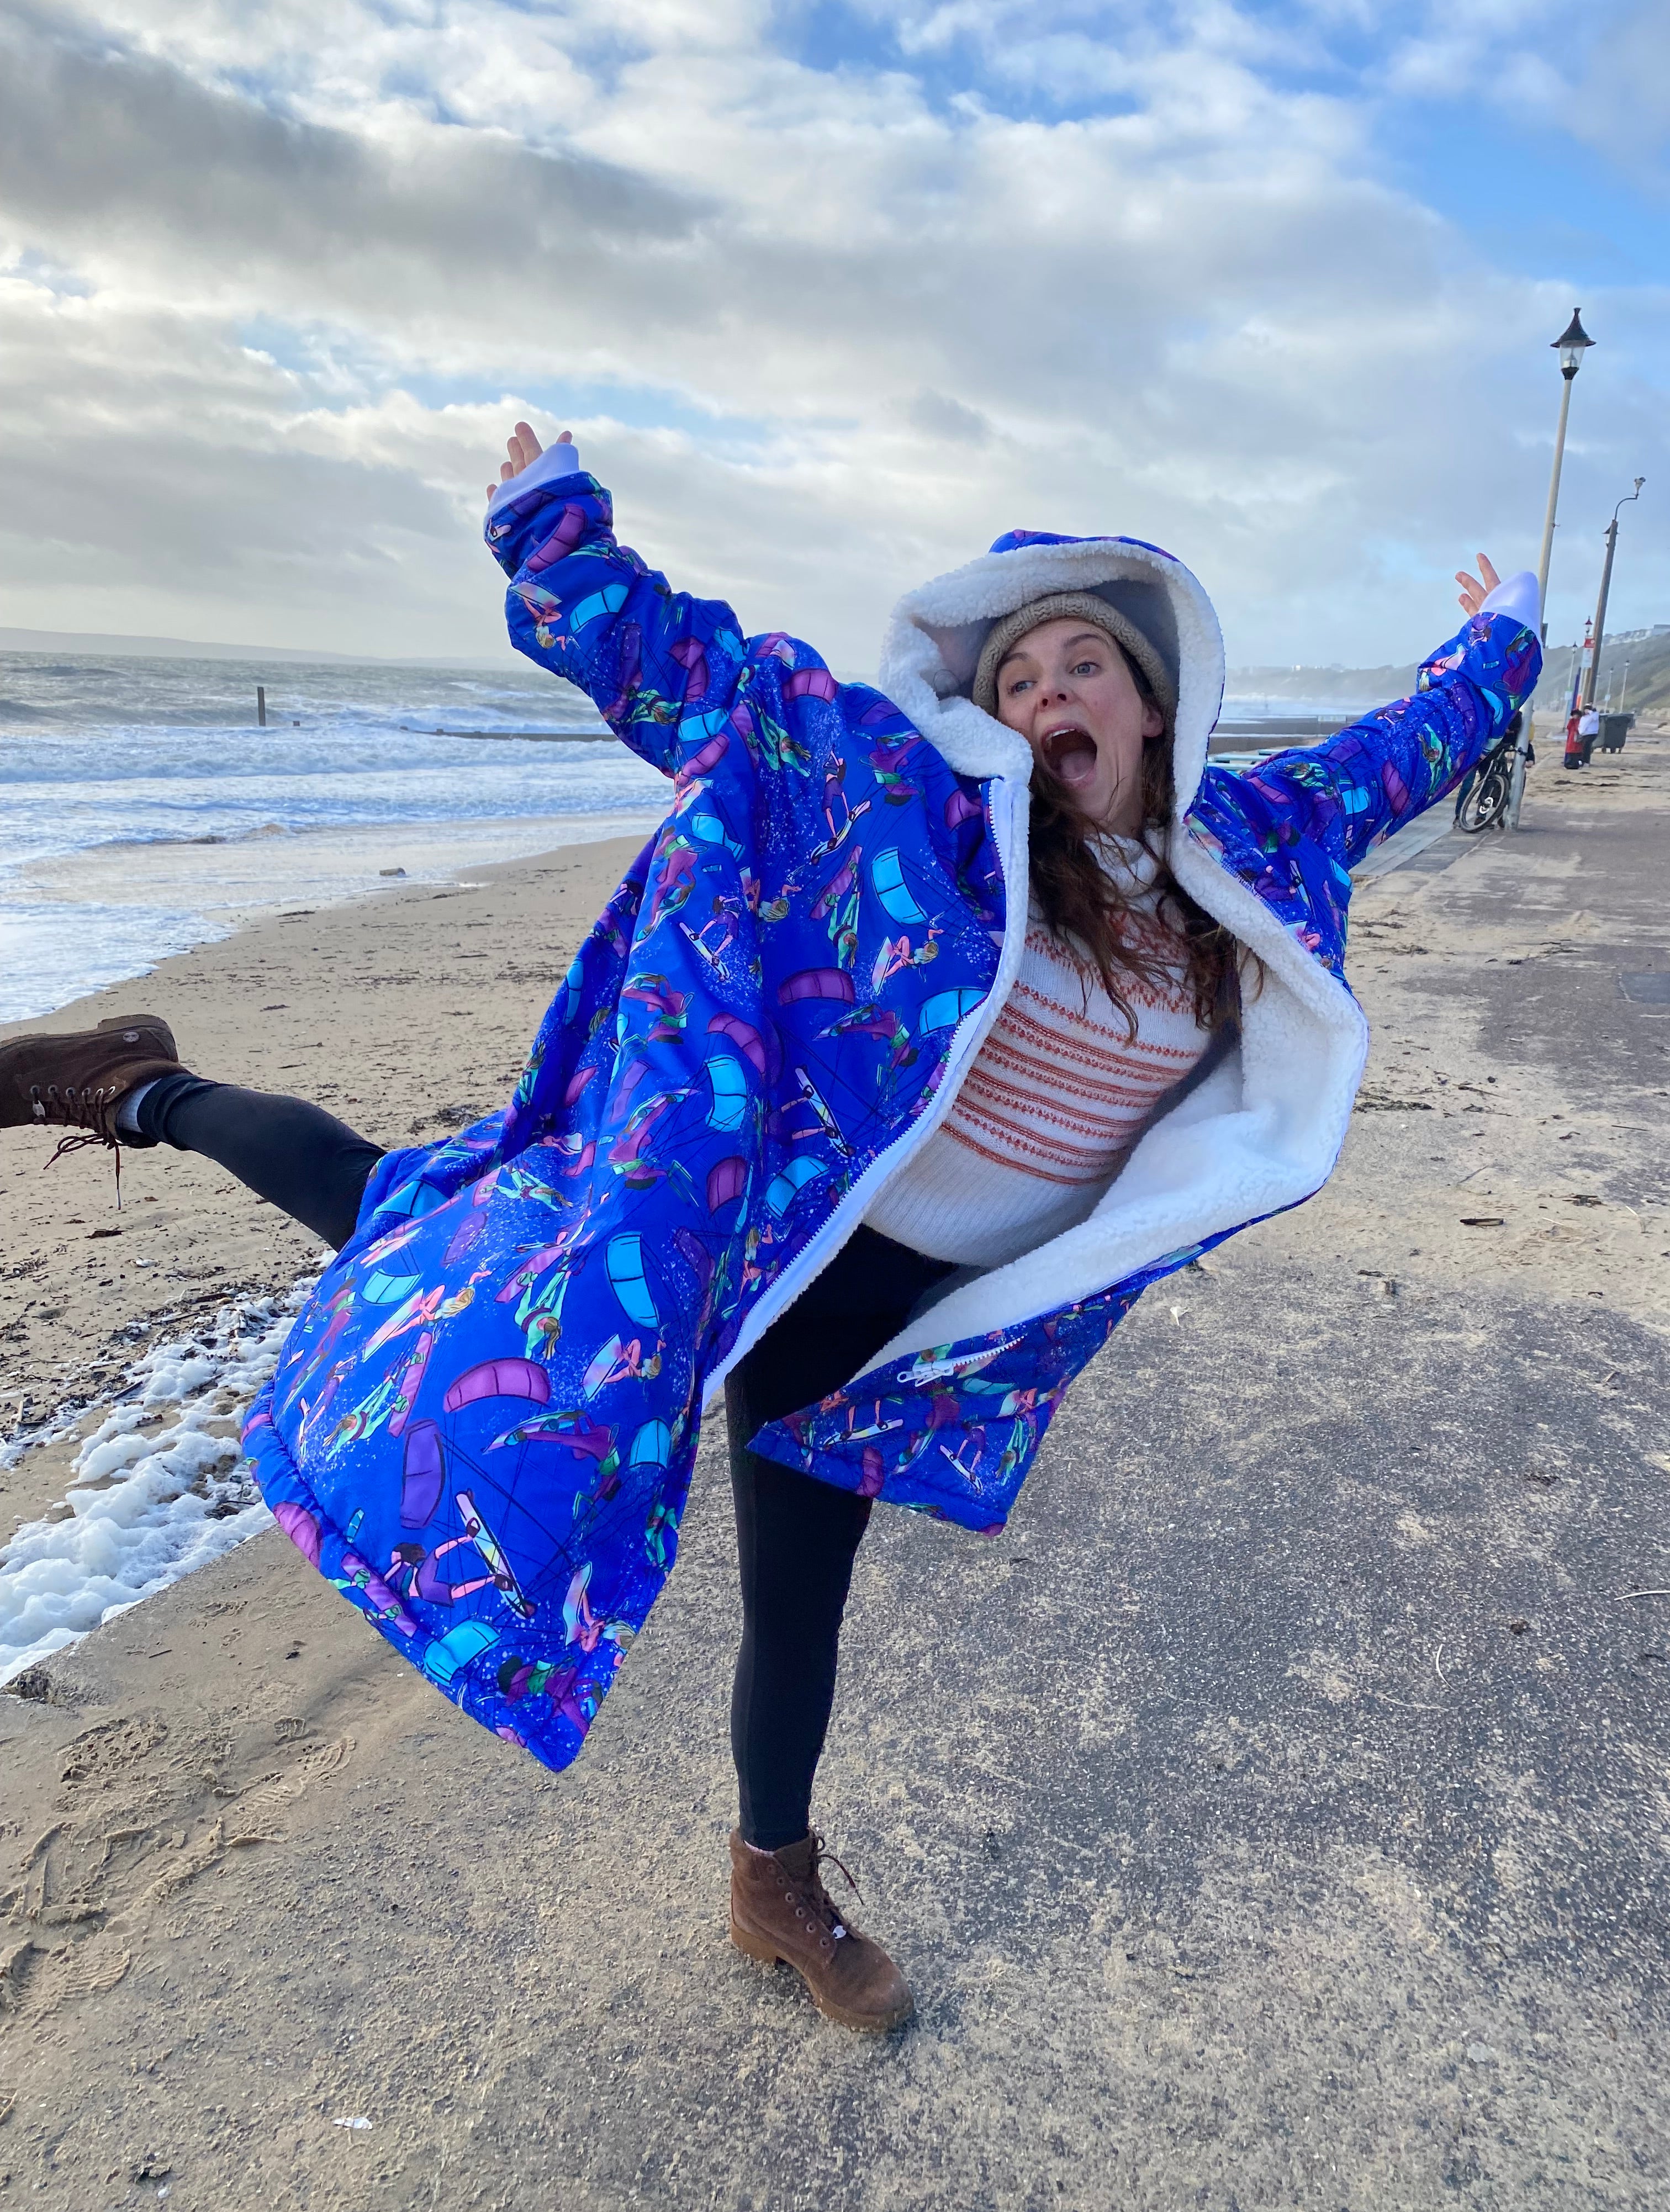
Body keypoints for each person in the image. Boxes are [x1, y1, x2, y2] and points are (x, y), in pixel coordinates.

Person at [1, 425, 1542, 2033]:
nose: (1047, 696)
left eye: (1086, 664)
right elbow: (715, 686)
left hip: (912, 1327)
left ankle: (769, 1878)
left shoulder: (1264, 845)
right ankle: (137, 1091)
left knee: (799, 1608)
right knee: (404, 1235)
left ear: (1156, 703)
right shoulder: (921, 816)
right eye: (1016, 679)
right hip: (751, 1232)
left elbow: (1414, 743)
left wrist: (1504, 641)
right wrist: (555, 530)